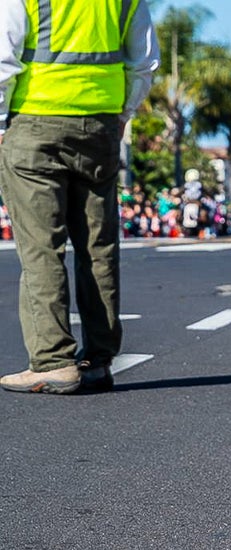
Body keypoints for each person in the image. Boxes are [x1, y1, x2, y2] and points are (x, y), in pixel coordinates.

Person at [0, 0, 160, 394]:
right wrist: (123, 115)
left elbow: (3, 60)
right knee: (98, 247)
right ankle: (98, 360)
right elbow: (144, 63)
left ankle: (53, 361)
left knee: (42, 248)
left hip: (33, 122)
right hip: (99, 126)